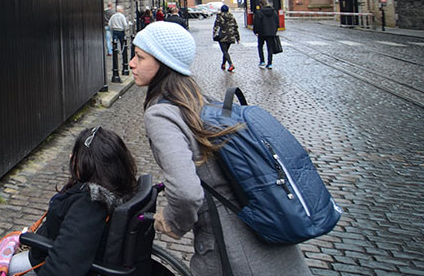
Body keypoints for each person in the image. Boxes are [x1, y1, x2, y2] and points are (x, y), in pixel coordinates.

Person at [128, 22, 310, 276]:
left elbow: (186, 193)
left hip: (233, 252)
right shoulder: (198, 99)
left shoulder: (161, 114)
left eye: (140, 57)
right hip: (270, 243)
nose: (131, 63)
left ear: (164, 62)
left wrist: (172, 222)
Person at [6, 126, 140, 276]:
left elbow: (64, 265)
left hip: (42, 261)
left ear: (89, 164)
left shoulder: (90, 206)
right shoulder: (117, 187)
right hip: (46, 249)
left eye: (76, 155)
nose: (71, 157)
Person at [252, 0, 279, 69]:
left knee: (260, 47)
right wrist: (274, 31)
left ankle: (262, 61)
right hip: (271, 33)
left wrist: (256, 31)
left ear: (261, 4)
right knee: (270, 48)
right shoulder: (274, 12)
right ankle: (270, 63)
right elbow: (277, 23)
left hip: (261, 32)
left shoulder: (259, 12)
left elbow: (256, 23)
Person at [212, 5, 240, 71]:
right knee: (226, 51)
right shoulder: (232, 17)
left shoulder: (219, 17)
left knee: (225, 51)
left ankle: (231, 64)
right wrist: (237, 38)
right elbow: (235, 27)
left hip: (222, 36)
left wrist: (214, 35)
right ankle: (223, 64)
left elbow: (216, 27)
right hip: (231, 36)